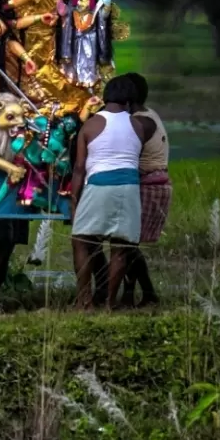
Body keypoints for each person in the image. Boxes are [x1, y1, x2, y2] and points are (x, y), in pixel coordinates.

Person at [70, 76, 155, 310]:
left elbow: (79, 169)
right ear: (129, 101)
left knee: (81, 241)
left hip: (99, 186)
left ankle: (84, 301)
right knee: (120, 248)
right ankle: (109, 303)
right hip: (129, 188)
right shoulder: (139, 126)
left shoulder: (91, 125)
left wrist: (74, 201)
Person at [120, 71, 168, 307]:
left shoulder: (137, 122)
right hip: (153, 183)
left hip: (146, 185)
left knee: (127, 244)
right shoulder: (149, 115)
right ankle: (146, 293)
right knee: (129, 244)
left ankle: (132, 295)